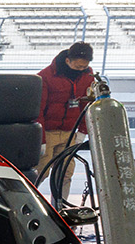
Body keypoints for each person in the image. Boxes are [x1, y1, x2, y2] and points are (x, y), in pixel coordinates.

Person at [37, 42, 97, 194]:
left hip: (69, 133)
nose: (81, 70)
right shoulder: (45, 77)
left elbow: (87, 106)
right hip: (48, 133)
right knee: (40, 171)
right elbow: (38, 110)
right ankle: (25, 201)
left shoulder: (88, 77)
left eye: (84, 67)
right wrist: (41, 138)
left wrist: (82, 131)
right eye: (78, 67)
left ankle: (60, 207)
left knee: (65, 173)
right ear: (68, 60)